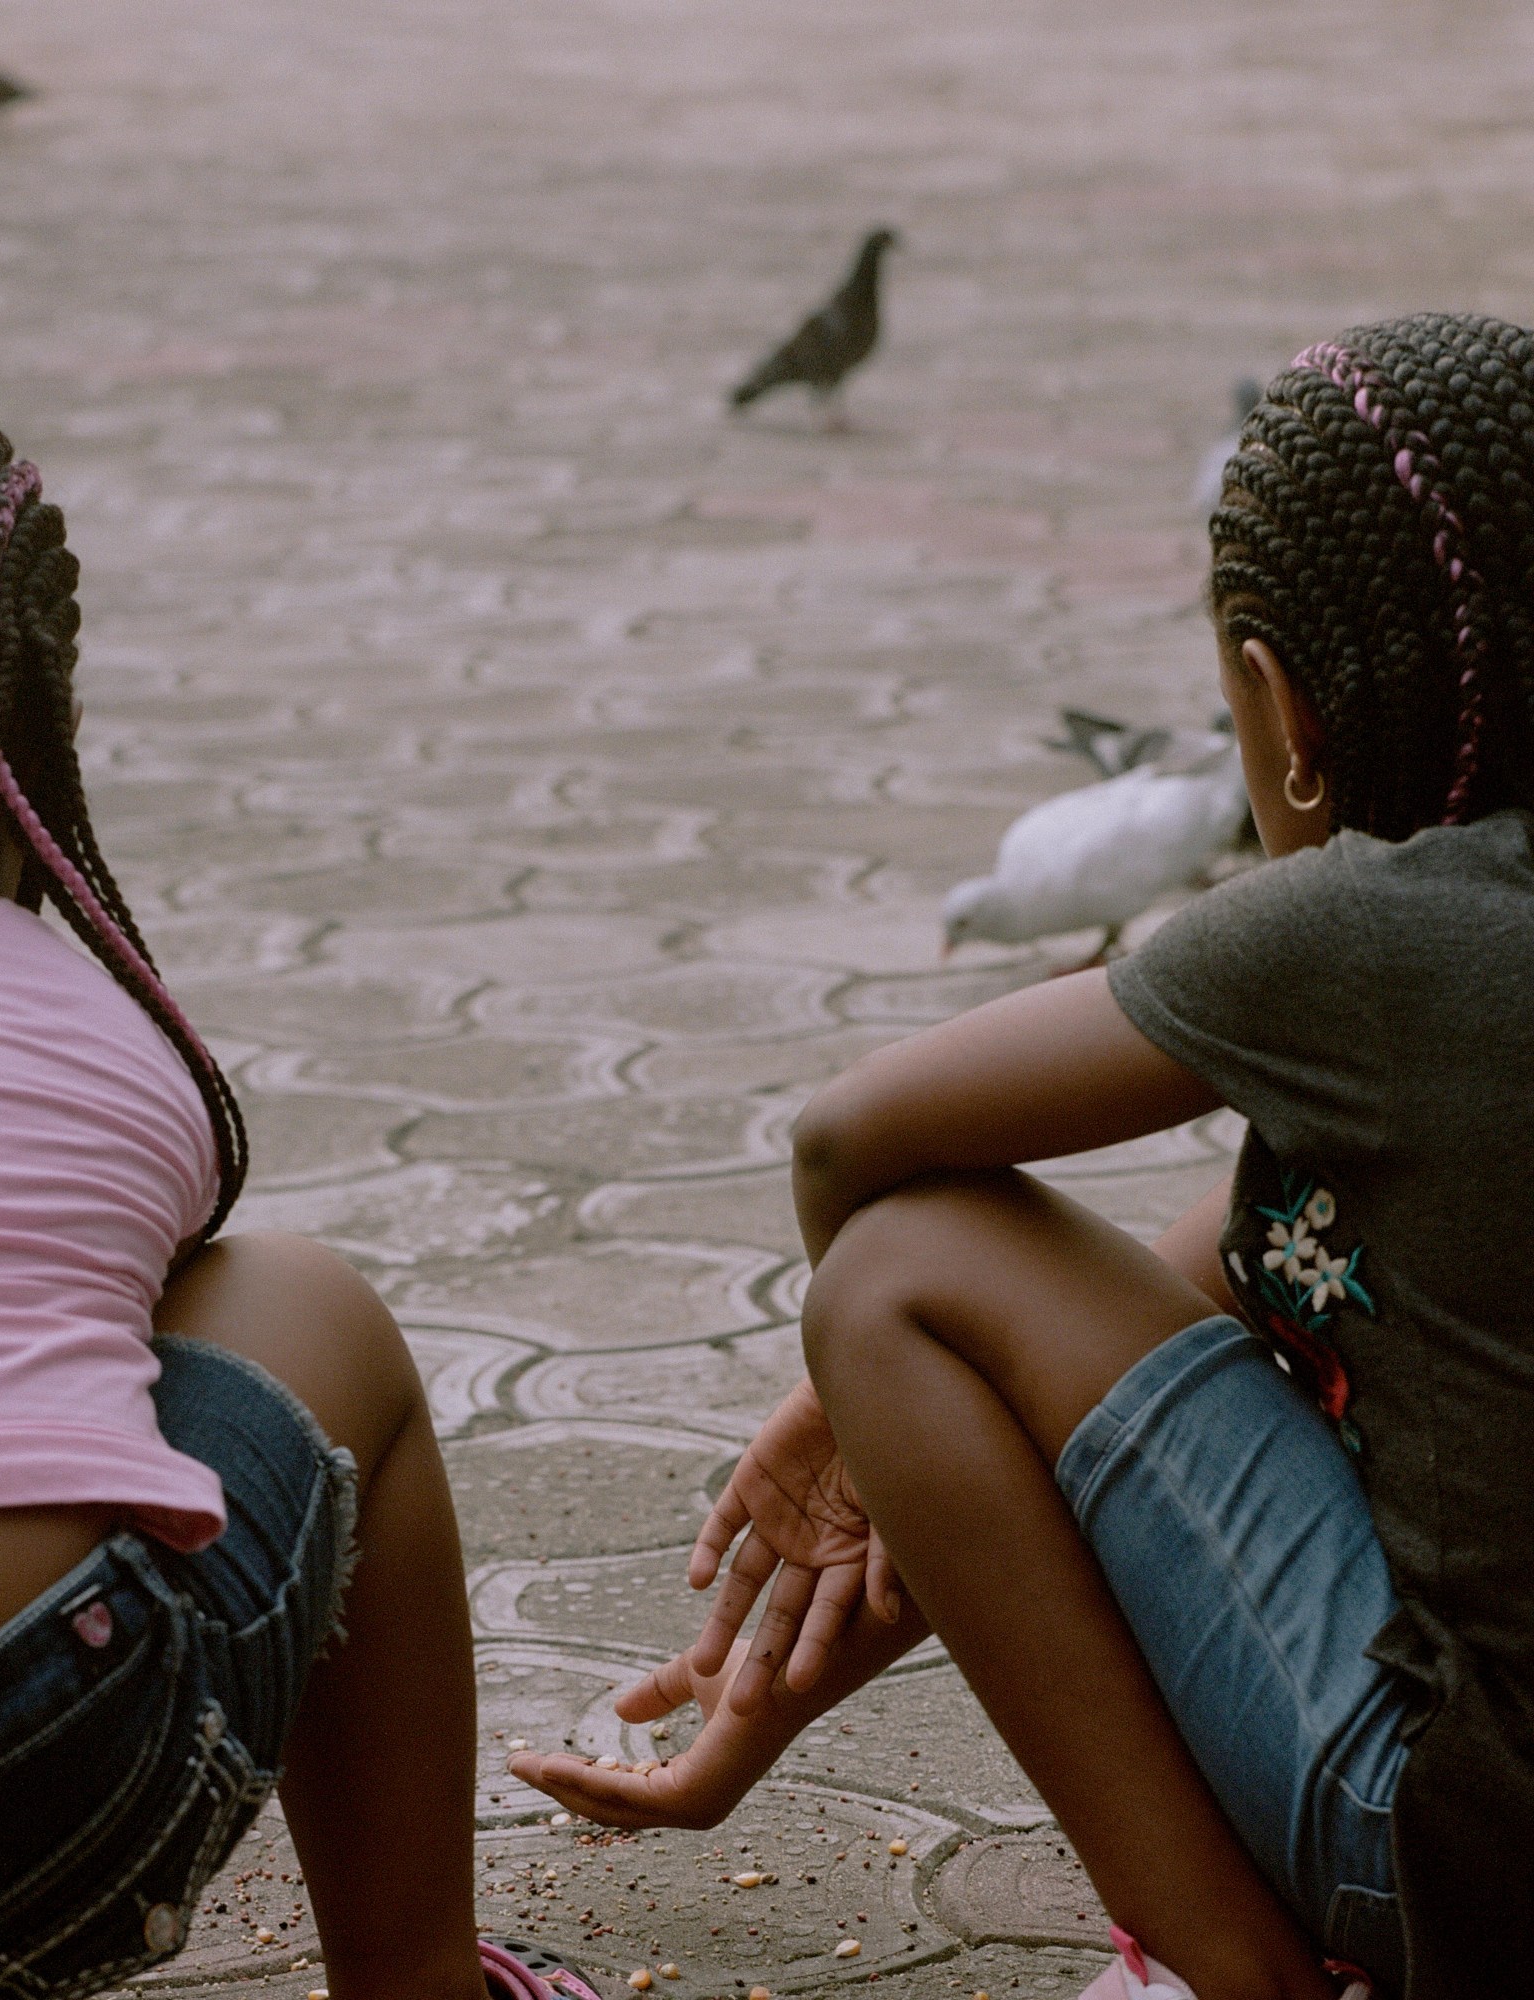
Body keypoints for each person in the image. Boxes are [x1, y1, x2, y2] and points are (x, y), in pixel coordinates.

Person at [512, 312, 1534, 2000]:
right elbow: (1095, 1401)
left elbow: (858, 1150)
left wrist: (857, 1383)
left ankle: (1239, 1972)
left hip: (1464, 1858)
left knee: (903, 1265)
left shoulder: (1379, 936)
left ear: (1276, 705)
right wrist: (765, 1709)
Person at [0, 412, 610, 2000]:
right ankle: (415, 1974)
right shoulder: (83, 1021)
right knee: (299, 1305)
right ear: (26, 706)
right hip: (18, 1761)